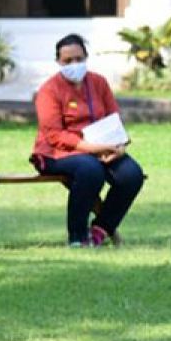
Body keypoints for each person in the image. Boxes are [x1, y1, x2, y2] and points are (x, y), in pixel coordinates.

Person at [31, 33, 145, 247]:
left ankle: (101, 229)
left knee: (132, 174)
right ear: (58, 62)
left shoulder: (99, 82)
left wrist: (119, 147)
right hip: (58, 152)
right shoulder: (49, 90)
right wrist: (93, 148)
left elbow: (114, 118)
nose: (74, 64)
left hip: (103, 148)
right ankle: (77, 236)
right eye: (67, 61)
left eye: (79, 59)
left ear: (86, 57)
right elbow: (54, 135)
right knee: (90, 169)